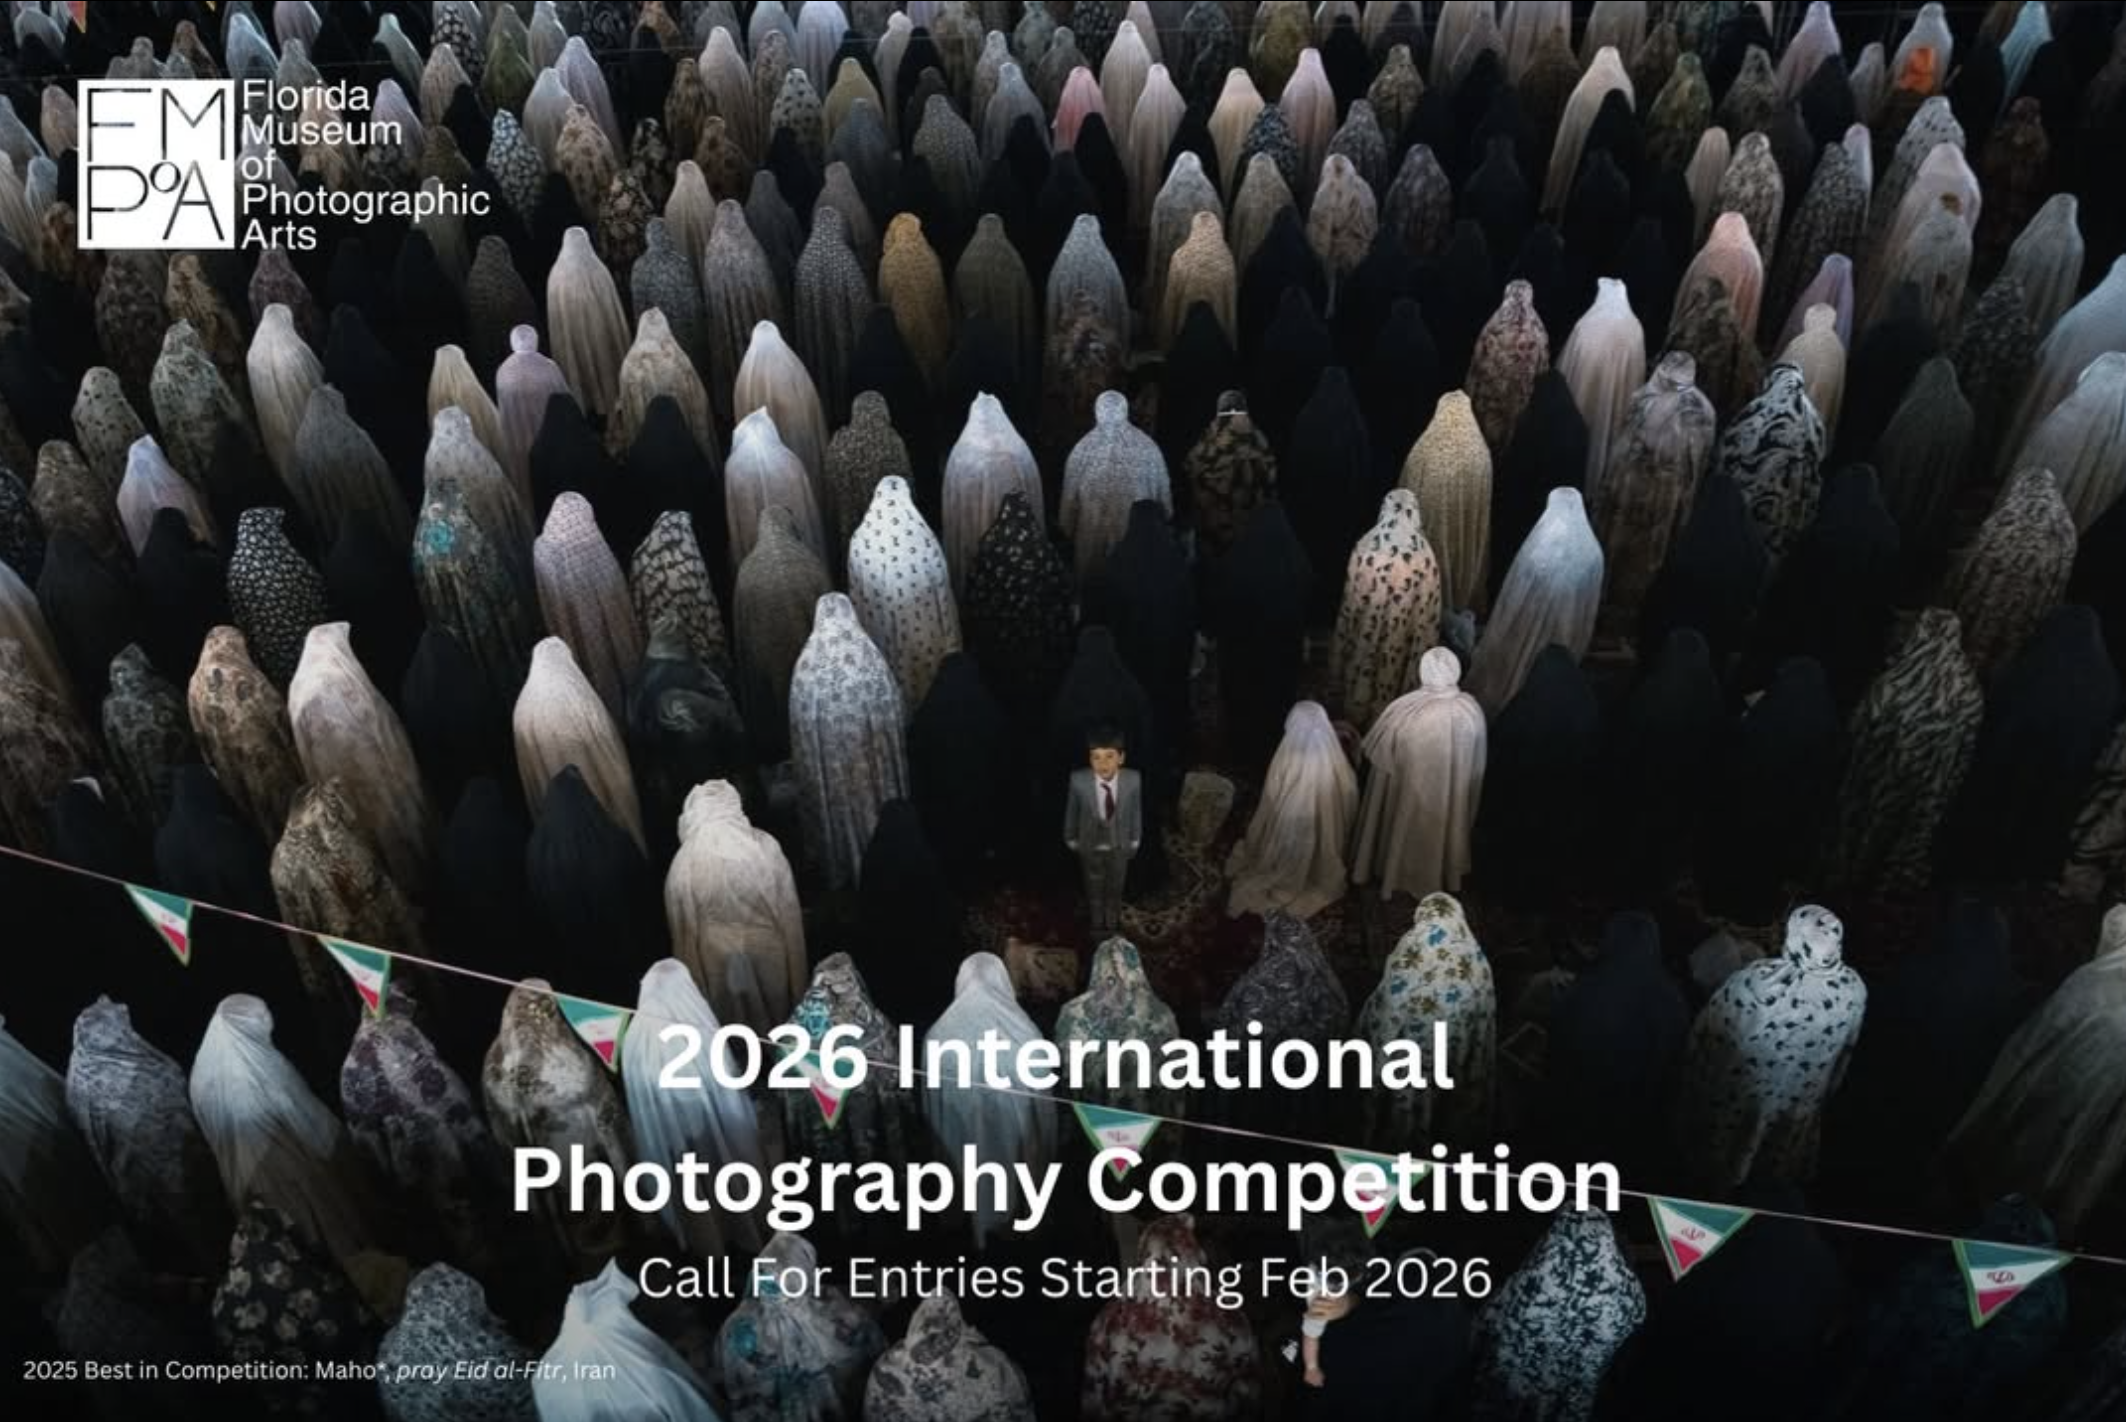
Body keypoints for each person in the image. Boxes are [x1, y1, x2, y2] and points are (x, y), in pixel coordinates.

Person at [1064, 725, 1142, 936]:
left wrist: (1135, 839)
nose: (1103, 763)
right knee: (1093, 885)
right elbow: (1072, 811)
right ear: (1089, 759)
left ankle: (1112, 921)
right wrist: (1071, 839)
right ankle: (1097, 922)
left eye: (1109, 756)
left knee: (1116, 885)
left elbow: (1135, 811)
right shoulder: (1078, 781)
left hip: (1119, 846)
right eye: (1096, 757)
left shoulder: (1133, 780)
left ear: (1121, 758)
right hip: (1089, 846)